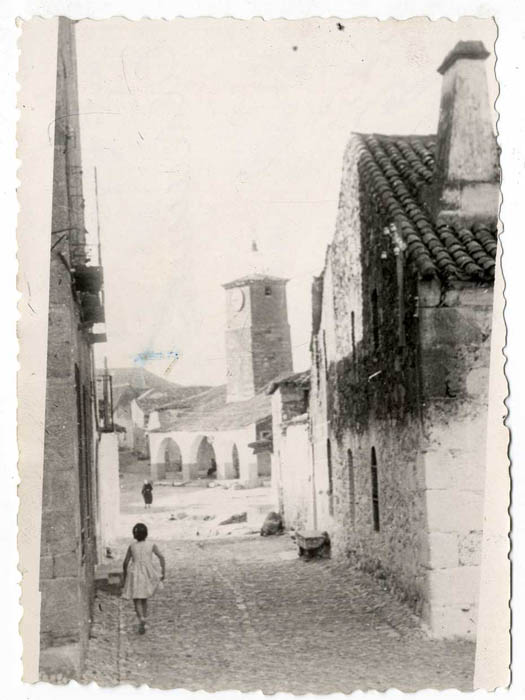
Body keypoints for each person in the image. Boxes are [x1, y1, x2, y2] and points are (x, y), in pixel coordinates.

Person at [122, 522, 165, 634]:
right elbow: (161, 557)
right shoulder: (151, 545)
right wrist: (163, 571)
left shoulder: (131, 546)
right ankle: (144, 618)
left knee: (136, 598)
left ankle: (141, 618)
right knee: (144, 597)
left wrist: (125, 575)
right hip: (147, 572)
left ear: (134, 534)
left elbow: (125, 562)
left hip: (135, 573)